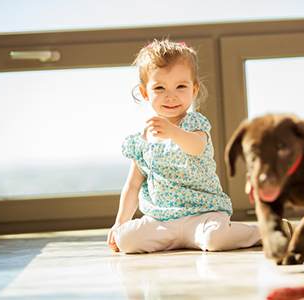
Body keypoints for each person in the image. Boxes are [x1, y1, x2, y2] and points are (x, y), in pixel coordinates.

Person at [107, 39, 290, 254]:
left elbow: (196, 147)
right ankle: (173, 240)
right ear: (145, 93)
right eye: (159, 88)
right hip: (161, 220)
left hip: (204, 215)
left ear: (194, 90)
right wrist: (120, 222)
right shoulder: (141, 141)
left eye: (181, 86)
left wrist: (173, 132)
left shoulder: (195, 124)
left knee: (215, 239)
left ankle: (267, 230)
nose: (171, 95)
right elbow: (132, 186)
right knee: (127, 240)